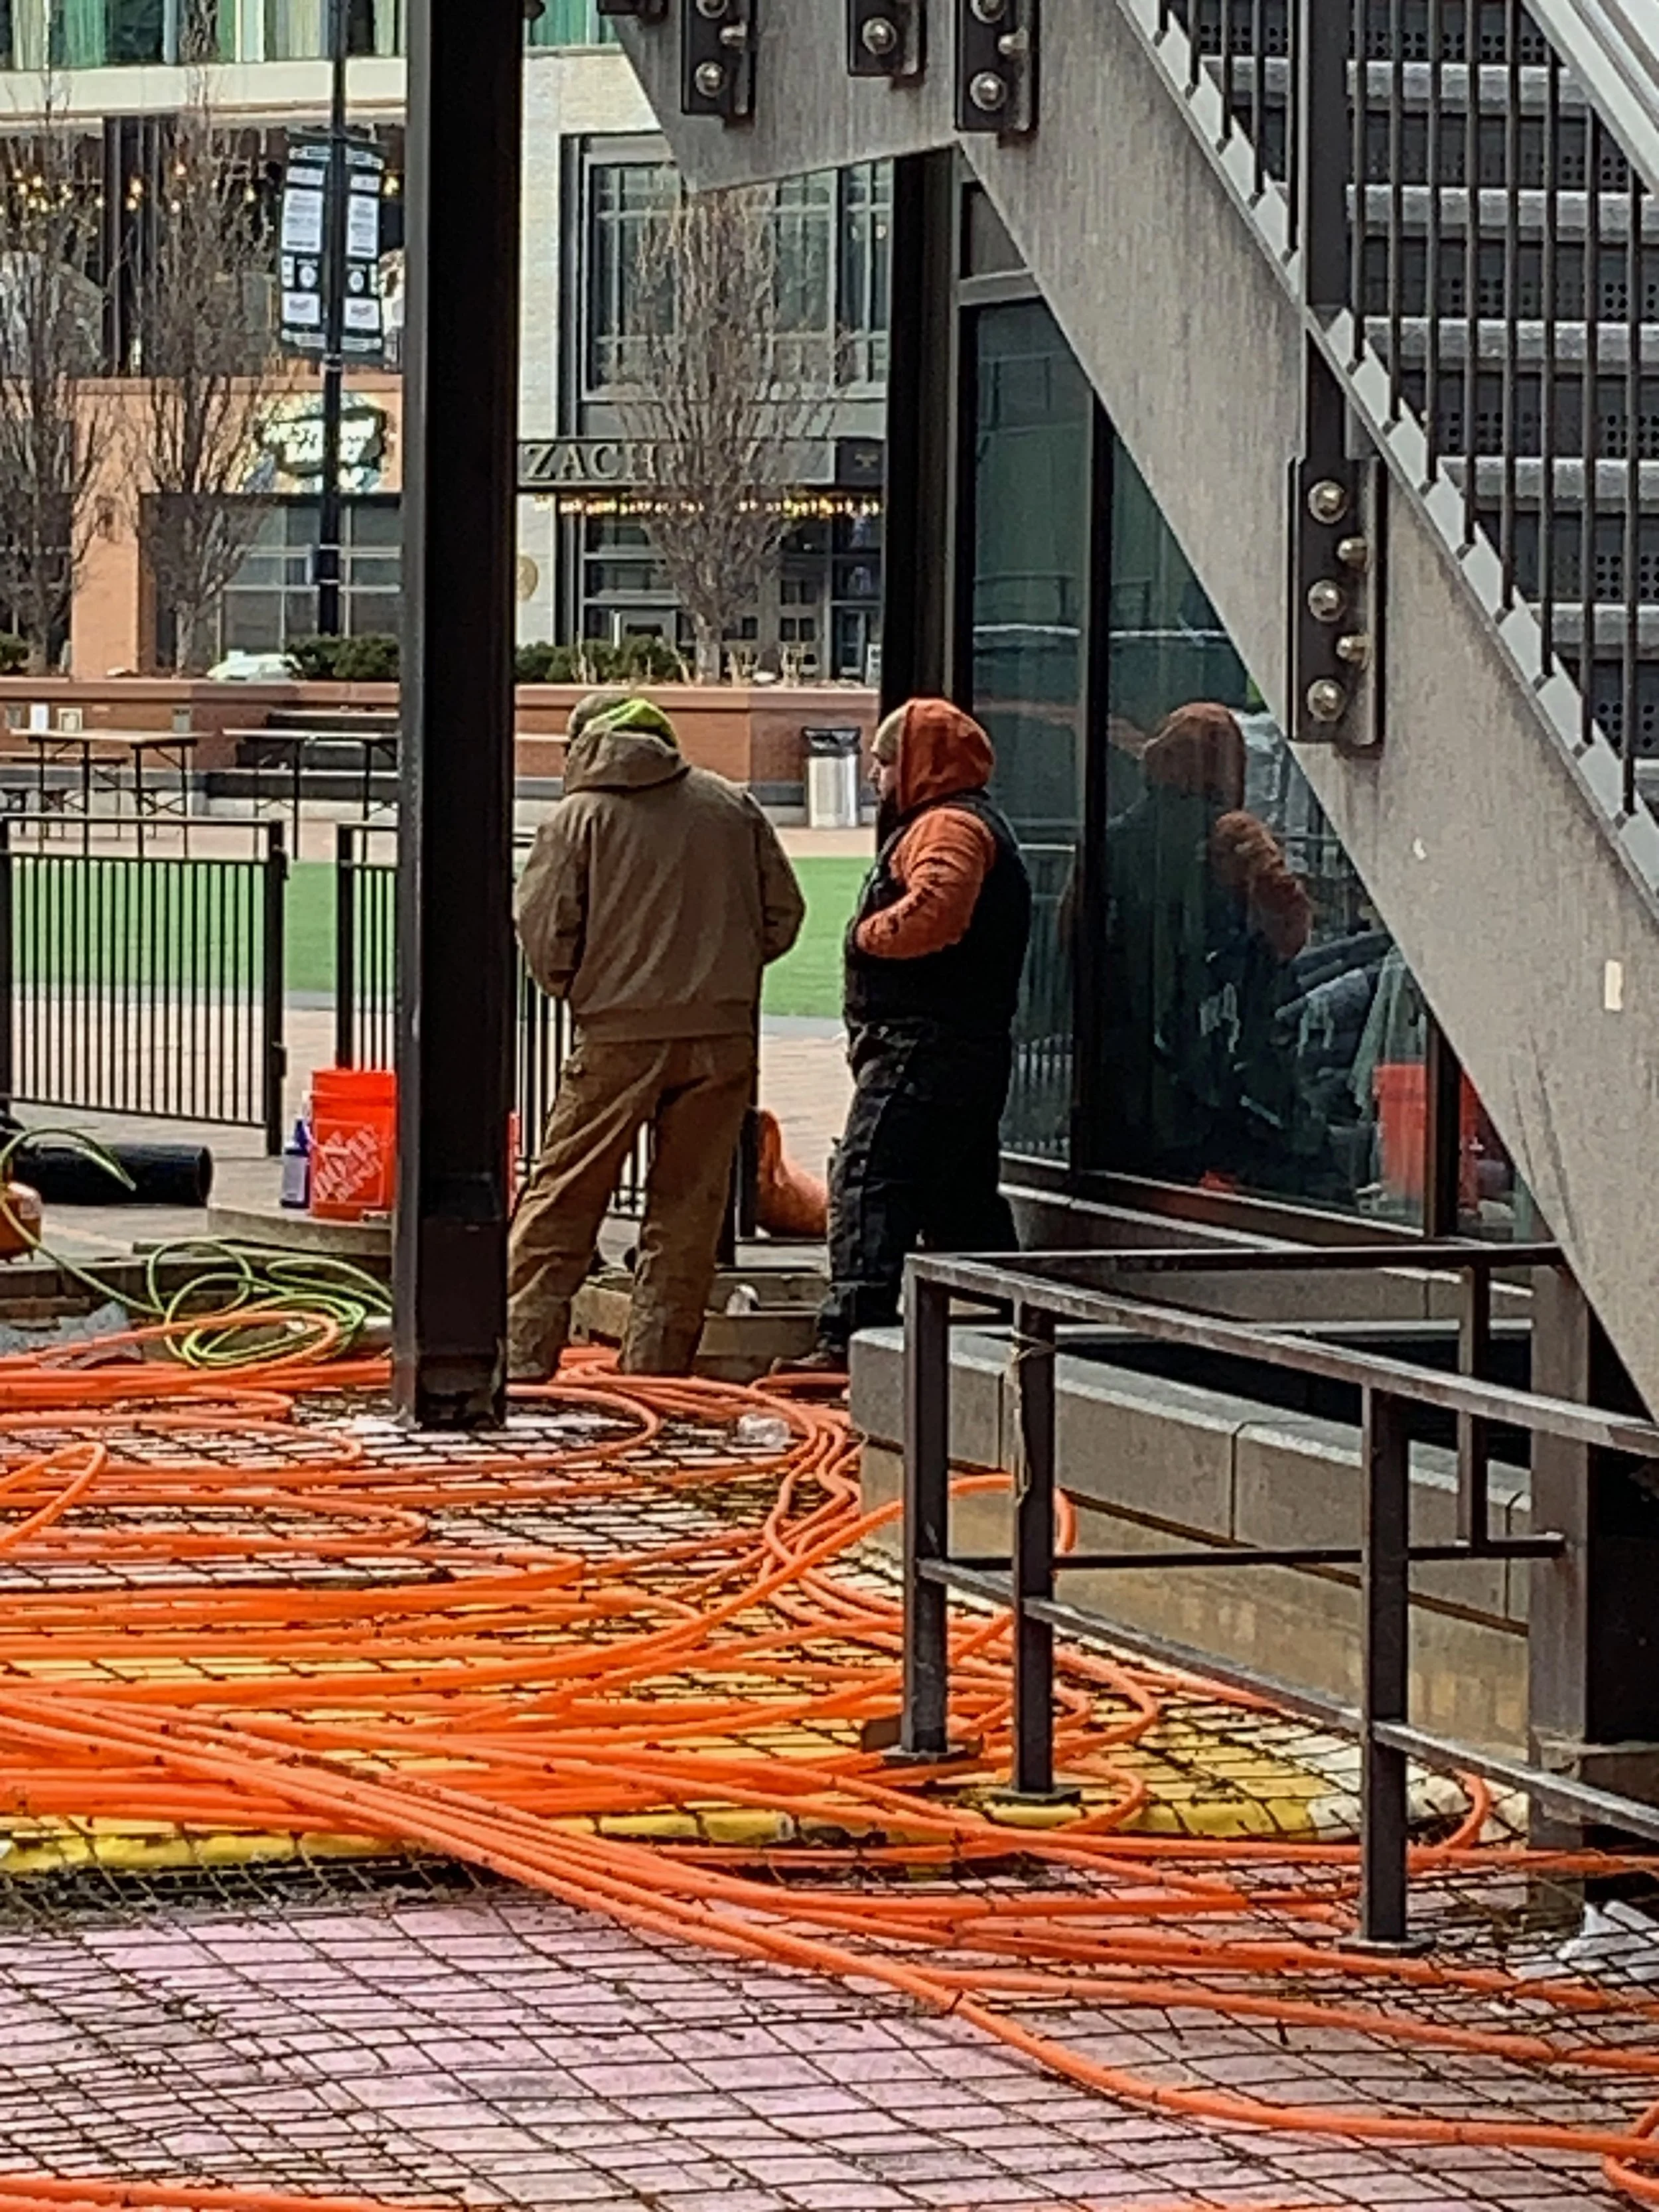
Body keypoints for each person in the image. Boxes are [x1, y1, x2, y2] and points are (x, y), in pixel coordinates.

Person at [509, 693, 805, 1380]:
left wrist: (583, 987)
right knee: (688, 1211)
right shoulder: (731, 805)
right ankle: (658, 1371)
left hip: (619, 1035)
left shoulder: (577, 819)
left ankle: (520, 1357)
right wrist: (721, 973)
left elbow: (545, 931)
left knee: (564, 1197)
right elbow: (782, 914)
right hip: (723, 1033)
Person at [802, 698, 1033, 1368]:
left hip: (923, 1045)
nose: (875, 777)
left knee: (870, 1177)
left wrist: (866, 936)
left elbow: (937, 910)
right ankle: (1012, 1325)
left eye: (883, 762)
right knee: (960, 1200)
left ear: (918, 765)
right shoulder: (967, 822)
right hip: (963, 1047)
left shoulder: (947, 828)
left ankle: (850, 1337)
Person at [1100, 701, 1313, 1189]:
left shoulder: (1113, 838)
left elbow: (1074, 936)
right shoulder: (1233, 838)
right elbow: (1288, 935)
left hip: (1130, 1060)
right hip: (1221, 1044)